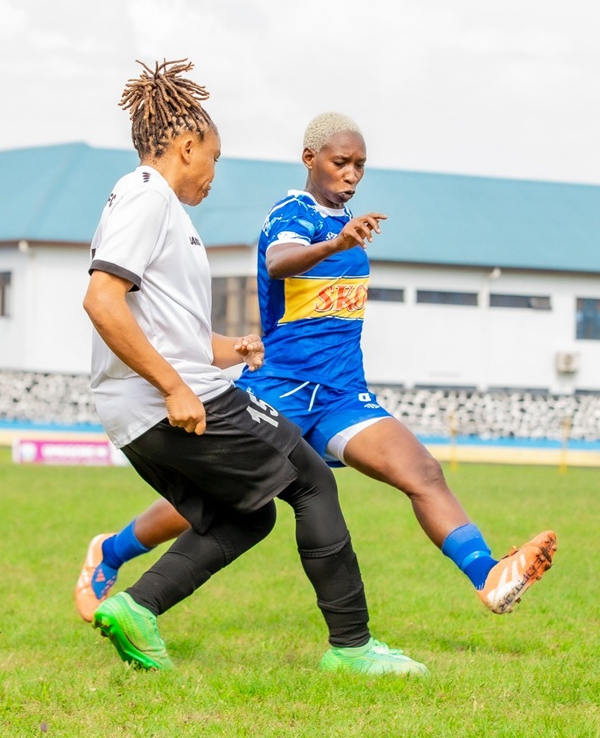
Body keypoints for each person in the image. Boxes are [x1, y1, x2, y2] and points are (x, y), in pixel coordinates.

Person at [76, 110, 557, 627]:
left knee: (422, 472)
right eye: (340, 162)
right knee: (223, 502)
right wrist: (335, 244)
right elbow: (280, 261)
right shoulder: (294, 212)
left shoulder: (344, 226)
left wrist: (339, 244)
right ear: (310, 159)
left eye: (360, 166)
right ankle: (112, 551)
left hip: (342, 395)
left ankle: (488, 576)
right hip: (280, 388)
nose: (351, 174)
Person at [81, 58, 425, 676]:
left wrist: (230, 348)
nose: (214, 173)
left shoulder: (155, 207)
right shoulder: (147, 196)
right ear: (188, 147)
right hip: (168, 399)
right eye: (213, 157)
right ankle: (352, 647)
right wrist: (175, 386)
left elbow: (162, 325)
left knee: (247, 515)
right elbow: (102, 302)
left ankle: (137, 607)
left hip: (138, 409)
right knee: (313, 482)